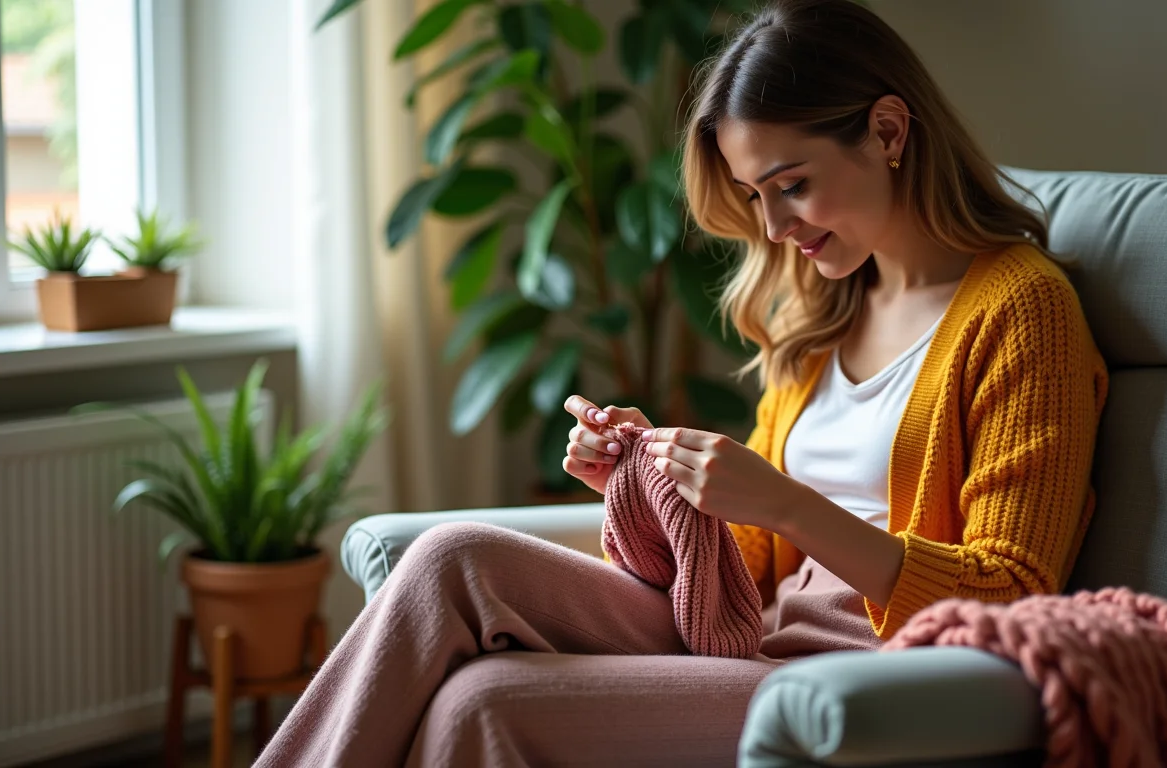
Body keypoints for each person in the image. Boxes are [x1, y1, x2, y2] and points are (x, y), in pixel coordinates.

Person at [254, 0, 1108, 765]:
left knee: (481, 707)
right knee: (450, 557)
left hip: (865, 677)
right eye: (754, 194)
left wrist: (785, 503)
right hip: (757, 638)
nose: (773, 228)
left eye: (791, 185)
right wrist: (651, 486)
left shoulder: (1022, 309)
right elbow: (741, 572)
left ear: (888, 132)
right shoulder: (824, 309)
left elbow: (1009, 591)